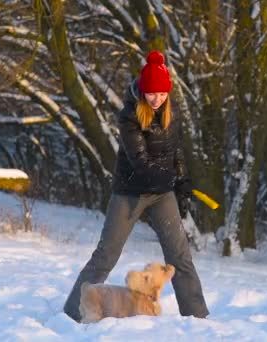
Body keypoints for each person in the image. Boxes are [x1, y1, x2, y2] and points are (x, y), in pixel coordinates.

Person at [63, 50, 210, 322]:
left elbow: (175, 151)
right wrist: (172, 180)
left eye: (162, 94)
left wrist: (182, 180)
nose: (157, 99)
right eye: (152, 94)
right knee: (106, 254)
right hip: (130, 193)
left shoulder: (170, 111)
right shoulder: (129, 117)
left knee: (180, 256)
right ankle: (73, 312)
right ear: (143, 92)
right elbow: (141, 163)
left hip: (161, 194)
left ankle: (198, 318)